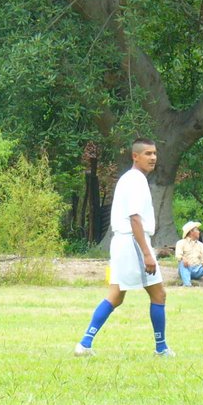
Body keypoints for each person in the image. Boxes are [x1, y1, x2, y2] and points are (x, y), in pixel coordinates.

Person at [74, 137, 172, 358]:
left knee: (116, 296)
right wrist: (147, 253)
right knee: (159, 294)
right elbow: (135, 219)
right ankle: (161, 348)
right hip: (133, 242)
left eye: (155, 153)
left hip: (122, 243)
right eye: (148, 154)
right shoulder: (136, 180)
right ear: (134, 156)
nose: (153, 157)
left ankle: (84, 343)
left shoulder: (129, 179)